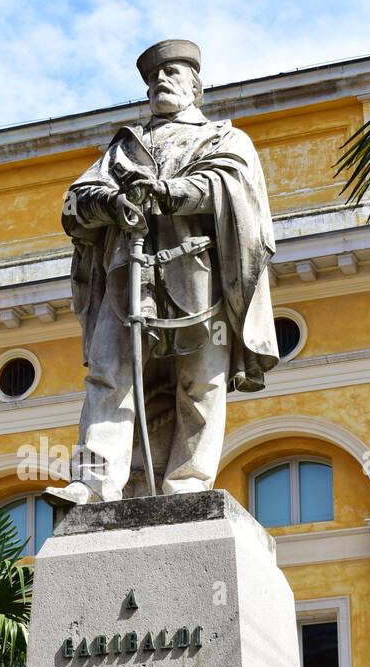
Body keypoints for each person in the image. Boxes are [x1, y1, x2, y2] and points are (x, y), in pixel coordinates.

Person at [49, 38, 278, 504]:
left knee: (201, 382)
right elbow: (74, 203)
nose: (160, 81)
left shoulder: (223, 138)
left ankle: (188, 484)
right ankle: (95, 485)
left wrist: (170, 193)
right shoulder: (124, 147)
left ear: (196, 86)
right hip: (125, 277)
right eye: (154, 76)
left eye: (172, 73)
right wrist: (110, 201)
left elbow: (232, 187)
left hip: (198, 276)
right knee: (109, 373)